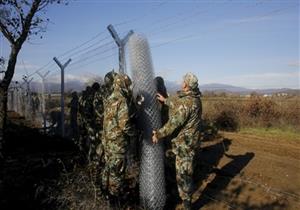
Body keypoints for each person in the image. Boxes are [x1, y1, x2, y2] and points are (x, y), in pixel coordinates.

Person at [152, 73, 202, 210]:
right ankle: (182, 195)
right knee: (183, 171)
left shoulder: (187, 103)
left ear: (186, 84)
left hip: (185, 145)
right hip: (190, 142)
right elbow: (179, 105)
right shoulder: (195, 99)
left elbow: (173, 123)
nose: (181, 82)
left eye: (183, 81)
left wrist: (159, 133)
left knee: (184, 175)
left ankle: (187, 204)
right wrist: (166, 100)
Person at [101, 73, 135, 201]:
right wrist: (134, 133)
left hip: (107, 140)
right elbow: (125, 125)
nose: (129, 87)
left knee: (108, 167)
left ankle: (104, 191)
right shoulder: (122, 100)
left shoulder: (110, 97)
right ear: (123, 84)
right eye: (128, 85)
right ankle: (114, 199)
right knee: (117, 172)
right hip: (117, 143)